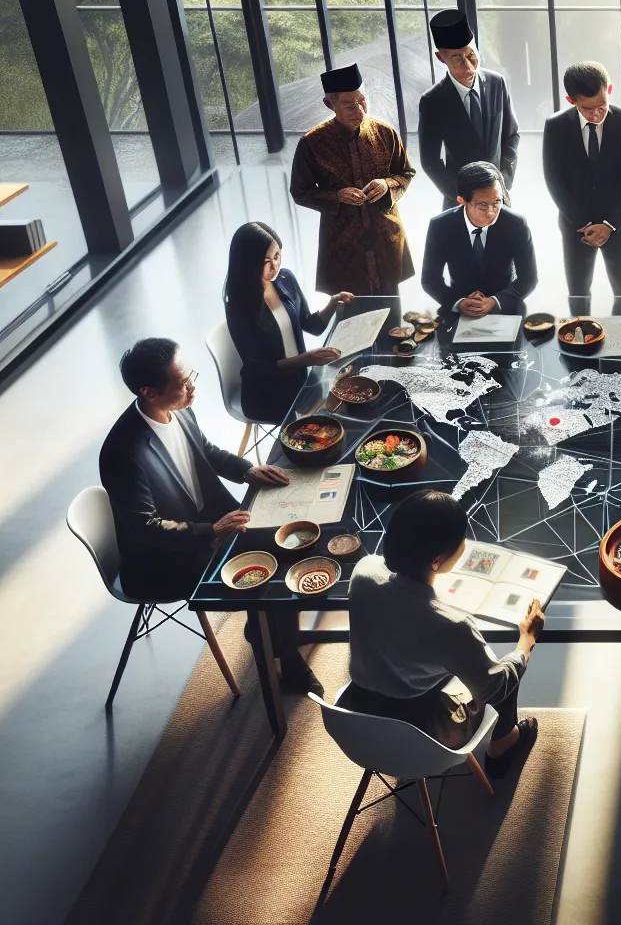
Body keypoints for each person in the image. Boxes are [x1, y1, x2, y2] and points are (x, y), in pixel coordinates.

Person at [99, 338, 319, 694]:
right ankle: (283, 654)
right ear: (149, 393)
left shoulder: (179, 408)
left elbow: (206, 451)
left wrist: (248, 470)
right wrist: (210, 531)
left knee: (286, 537)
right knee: (269, 571)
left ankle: (266, 629)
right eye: (183, 383)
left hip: (208, 522)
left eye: (191, 376)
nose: (193, 388)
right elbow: (146, 528)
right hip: (164, 557)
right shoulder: (122, 452)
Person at [343, 489, 544, 777]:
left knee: (480, 664)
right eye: (462, 540)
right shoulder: (452, 625)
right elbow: (495, 687)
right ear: (437, 559)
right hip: (423, 728)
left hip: (358, 716)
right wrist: (527, 640)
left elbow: (402, 611)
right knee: (508, 669)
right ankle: (504, 744)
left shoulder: (364, 572)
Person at [289, 63, 417, 296]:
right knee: (350, 313)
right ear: (330, 104)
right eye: (349, 104)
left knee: (392, 311)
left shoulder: (385, 132)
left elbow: (406, 173)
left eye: (362, 100)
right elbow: (300, 191)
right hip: (343, 245)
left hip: (386, 237)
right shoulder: (312, 143)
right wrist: (336, 196)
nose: (359, 109)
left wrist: (386, 184)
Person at [222, 222, 354, 424]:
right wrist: (305, 359)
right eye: (265, 261)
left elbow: (311, 325)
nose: (274, 266)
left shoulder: (285, 279)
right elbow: (258, 369)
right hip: (268, 395)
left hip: (301, 380)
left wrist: (332, 304)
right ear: (248, 263)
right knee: (330, 420)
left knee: (348, 402)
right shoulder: (238, 306)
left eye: (277, 256)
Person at [543, 61, 621, 316]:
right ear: (570, 100)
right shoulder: (555, 127)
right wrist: (583, 224)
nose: (596, 114)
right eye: (587, 109)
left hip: (619, 225)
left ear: (608, 89)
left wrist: (609, 224)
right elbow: (554, 180)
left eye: (602, 104)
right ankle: (579, 348)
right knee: (578, 295)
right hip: (576, 227)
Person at [417, 9, 521, 207]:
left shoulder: (497, 83)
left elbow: (512, 135)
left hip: (499, 196)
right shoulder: (433, 101)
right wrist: (460, 195)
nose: (468, 64)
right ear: (441, 58)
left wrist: (505, 181)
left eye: (471, 54)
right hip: (461, 201)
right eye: (457, 58)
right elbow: (430, 161)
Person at [420, 161, 538, 317]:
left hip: (505, 306)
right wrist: (459, 302)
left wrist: (494, 301)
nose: (491, 212)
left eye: (497, 202)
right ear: (462, 201)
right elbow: (430, 280)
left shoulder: (516, 224)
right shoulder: (440, 226)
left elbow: (528, 279)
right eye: (483, 205)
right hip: (460, 307)